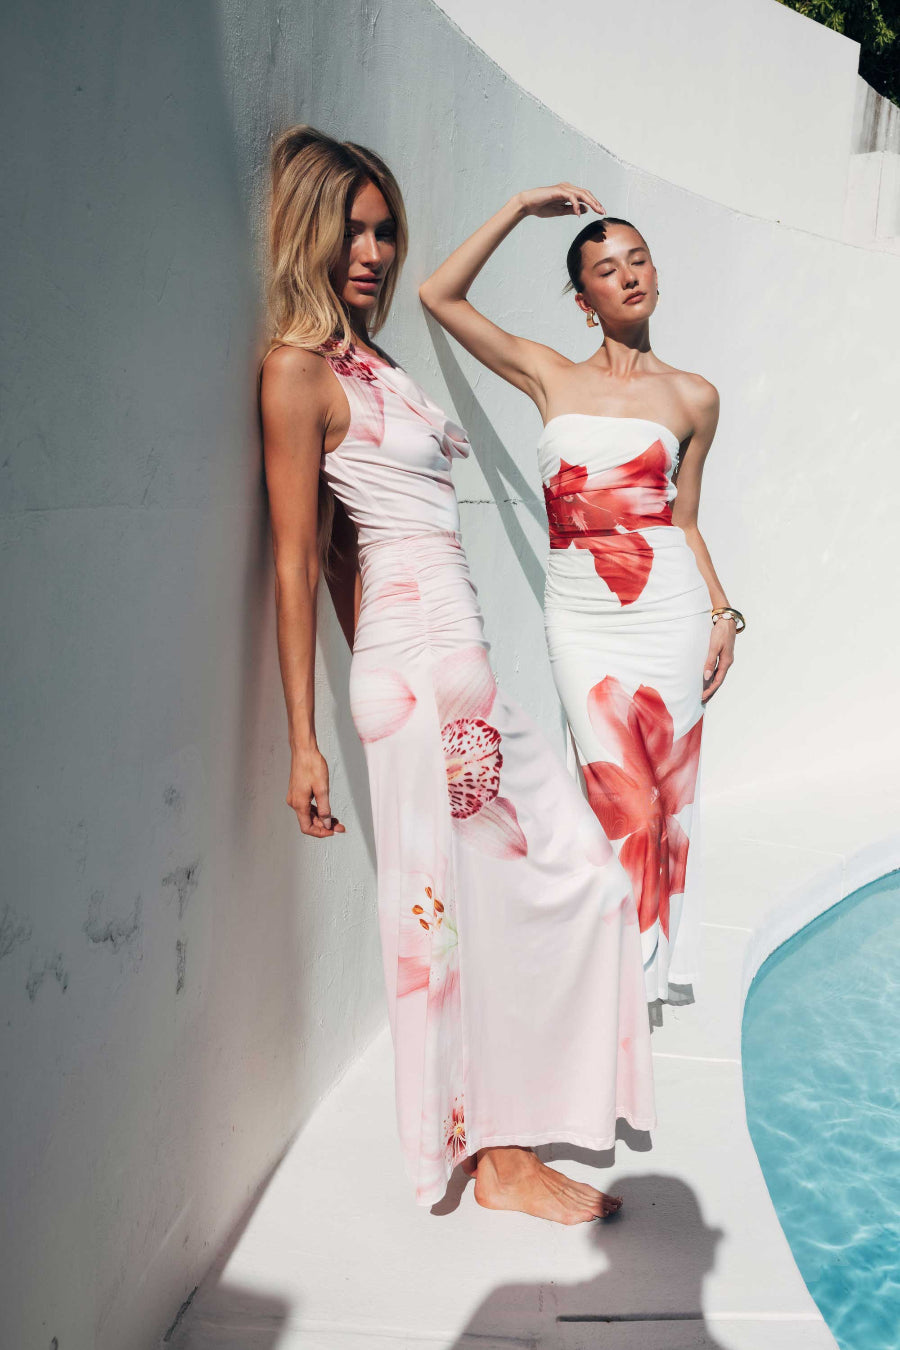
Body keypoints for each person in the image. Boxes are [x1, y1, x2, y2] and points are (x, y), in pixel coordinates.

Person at [259, 131, 655, 1223]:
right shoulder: (298, 374)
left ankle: (503, 1140)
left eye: (386, 230)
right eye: (355, 229)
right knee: (454, 915)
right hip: (421, 677)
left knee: (563, 871)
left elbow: (346, 554)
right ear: (310, 233)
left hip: (452, 677)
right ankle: (496, 1160)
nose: (376, 251)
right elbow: (300, 559)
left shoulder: (374, 367)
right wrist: (307, 736)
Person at [419, 185, 744, 1013]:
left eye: (638, 260)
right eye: (606, 268)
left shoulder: (694, 396)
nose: (628, 275)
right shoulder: (549, 373)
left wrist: (722, 612)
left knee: (666, 796)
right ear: (583, 299)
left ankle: (637, 986)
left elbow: (686, 521)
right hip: (582, 615)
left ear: (656, 276)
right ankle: (611, 973)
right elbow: (438, 296)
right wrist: (523, 208)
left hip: (669, 606)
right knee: (613, 790)